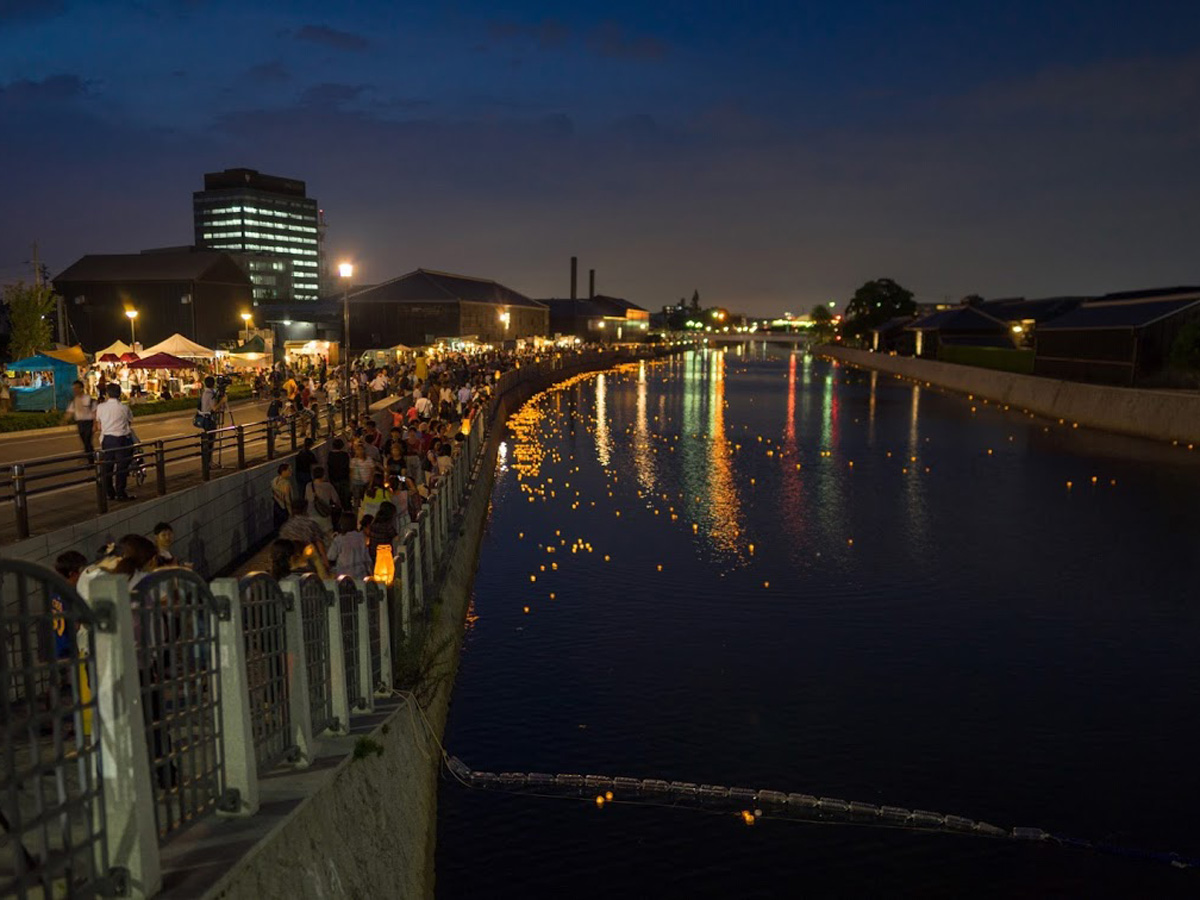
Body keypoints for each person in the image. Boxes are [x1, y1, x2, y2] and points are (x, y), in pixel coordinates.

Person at [95, 383, 136, 501]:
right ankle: (120, 492)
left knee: (108, 467)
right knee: (122, 467)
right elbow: (129, 422)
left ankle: (109, 492)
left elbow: (99, 425)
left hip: (107, 439)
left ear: (107, 394)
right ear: (120, 394)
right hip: (122, 439)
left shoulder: (101, 407)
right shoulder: (124, 408)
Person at [279, 497, 330, 573]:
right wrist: (326, 563)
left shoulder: (285, 527)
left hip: (290, 564)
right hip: (308, 563)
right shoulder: (311, 524)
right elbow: (320, 545)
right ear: (305, 509)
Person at [327, 512, 370, 579]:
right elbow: (366, 558)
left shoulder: (339, 539)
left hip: (343, 575)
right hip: (360, 575)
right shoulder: (361, 537)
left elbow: (331, 556)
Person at [63, 379, 97, 459]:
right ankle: (92, 456)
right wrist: (64, 420)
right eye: (73, 388)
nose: (75, 390)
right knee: (85, 441)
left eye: (76, 388)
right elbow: (70, 412)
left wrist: (95, 424)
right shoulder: (74, 401)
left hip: (89, 423)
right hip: (80, 423)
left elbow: (95, 412)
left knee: (87, 440)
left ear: (81, 388)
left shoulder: (89, 399)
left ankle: (90, 459)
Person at [305, 465, 341, 536]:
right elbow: (336, 500)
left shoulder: (308, 486)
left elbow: (306, 499)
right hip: (324, 516)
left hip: (311, 516)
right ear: (323, 475)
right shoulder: (328, 486)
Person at [326, 437, 352, 508]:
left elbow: (329, 466)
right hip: (344, 477)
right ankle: (346, 507)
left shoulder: (330, 455)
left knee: (336, 495)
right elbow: (348, 466)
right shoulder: (345, 455)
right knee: (345, 495)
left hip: (334, 478)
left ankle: (338, 508)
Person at [272, 463, 293, 529]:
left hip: (276, 506)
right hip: (284, 508)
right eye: (289, 470)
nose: (291, 471)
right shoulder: (286, 484)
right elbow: (287, 499)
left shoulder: (275, 480)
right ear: (283, 471)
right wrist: (291, 512)